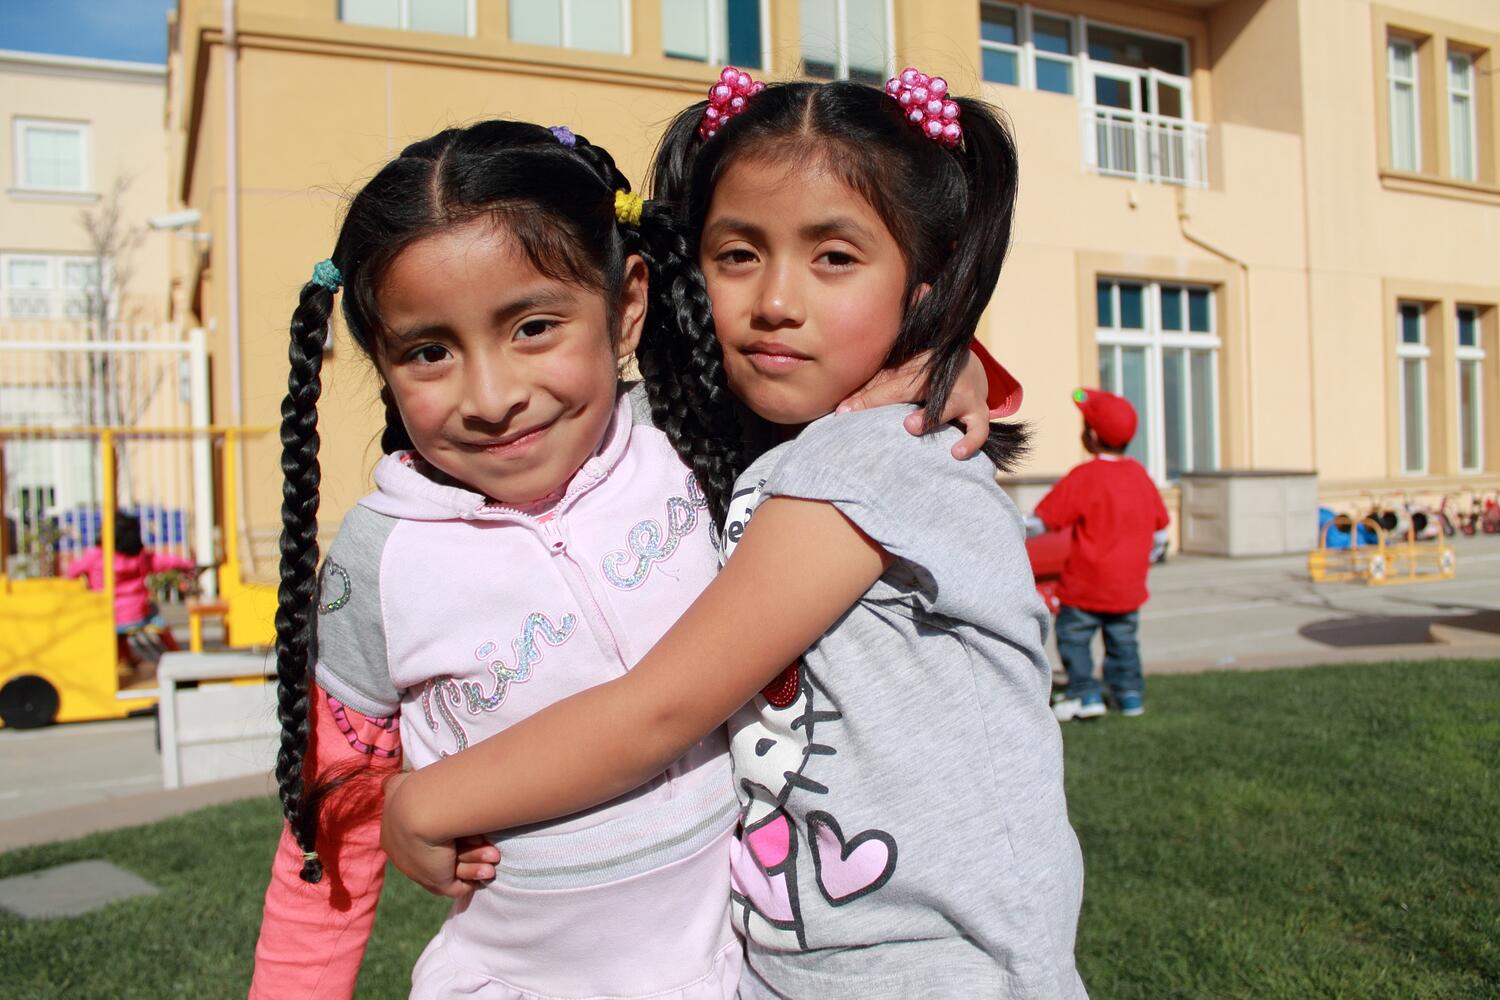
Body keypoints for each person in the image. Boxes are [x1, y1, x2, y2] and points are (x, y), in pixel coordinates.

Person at [251, 119, 998, 999]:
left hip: (741, 972)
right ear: (378, 359)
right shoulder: (379, 562)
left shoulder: (690, 435)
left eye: (532, 326)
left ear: (629, 303)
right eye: (429, 352)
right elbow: (327, 830)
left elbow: (832, 362)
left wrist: (953, 368)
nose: (492, 397)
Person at [1029, 389, 1170, 721]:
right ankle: (1130, 696)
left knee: (1074, 638)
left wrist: (1014, 524)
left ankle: (1084, 692)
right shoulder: (1140, 476)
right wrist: (1149, 555)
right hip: (1127, 586)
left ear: (1091, 435)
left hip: (1085, 584)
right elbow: (1161, 530)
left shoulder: (1086, 476)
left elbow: (1044, 520)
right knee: (1124, 641)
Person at [64, 510, 195, 668]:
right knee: (156, 617)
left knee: (116, 630)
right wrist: (188, 565)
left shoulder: (96, 556)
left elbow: (71, 572)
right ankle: (176, 656)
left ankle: (124, 659)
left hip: (105, 614)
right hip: (136, 614)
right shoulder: (139, 557)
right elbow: (165, 561)